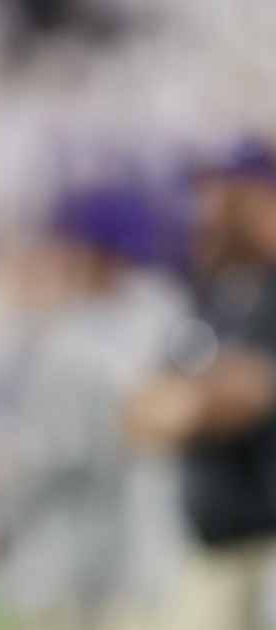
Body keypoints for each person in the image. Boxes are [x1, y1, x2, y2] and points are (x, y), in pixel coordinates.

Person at [123, 137, 276, 630]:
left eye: (229, 196)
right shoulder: (211, 295)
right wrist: (210, 395)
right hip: (212, 546)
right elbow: (142, 413)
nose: (211, 212)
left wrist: (196, 399)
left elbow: (252, 391)